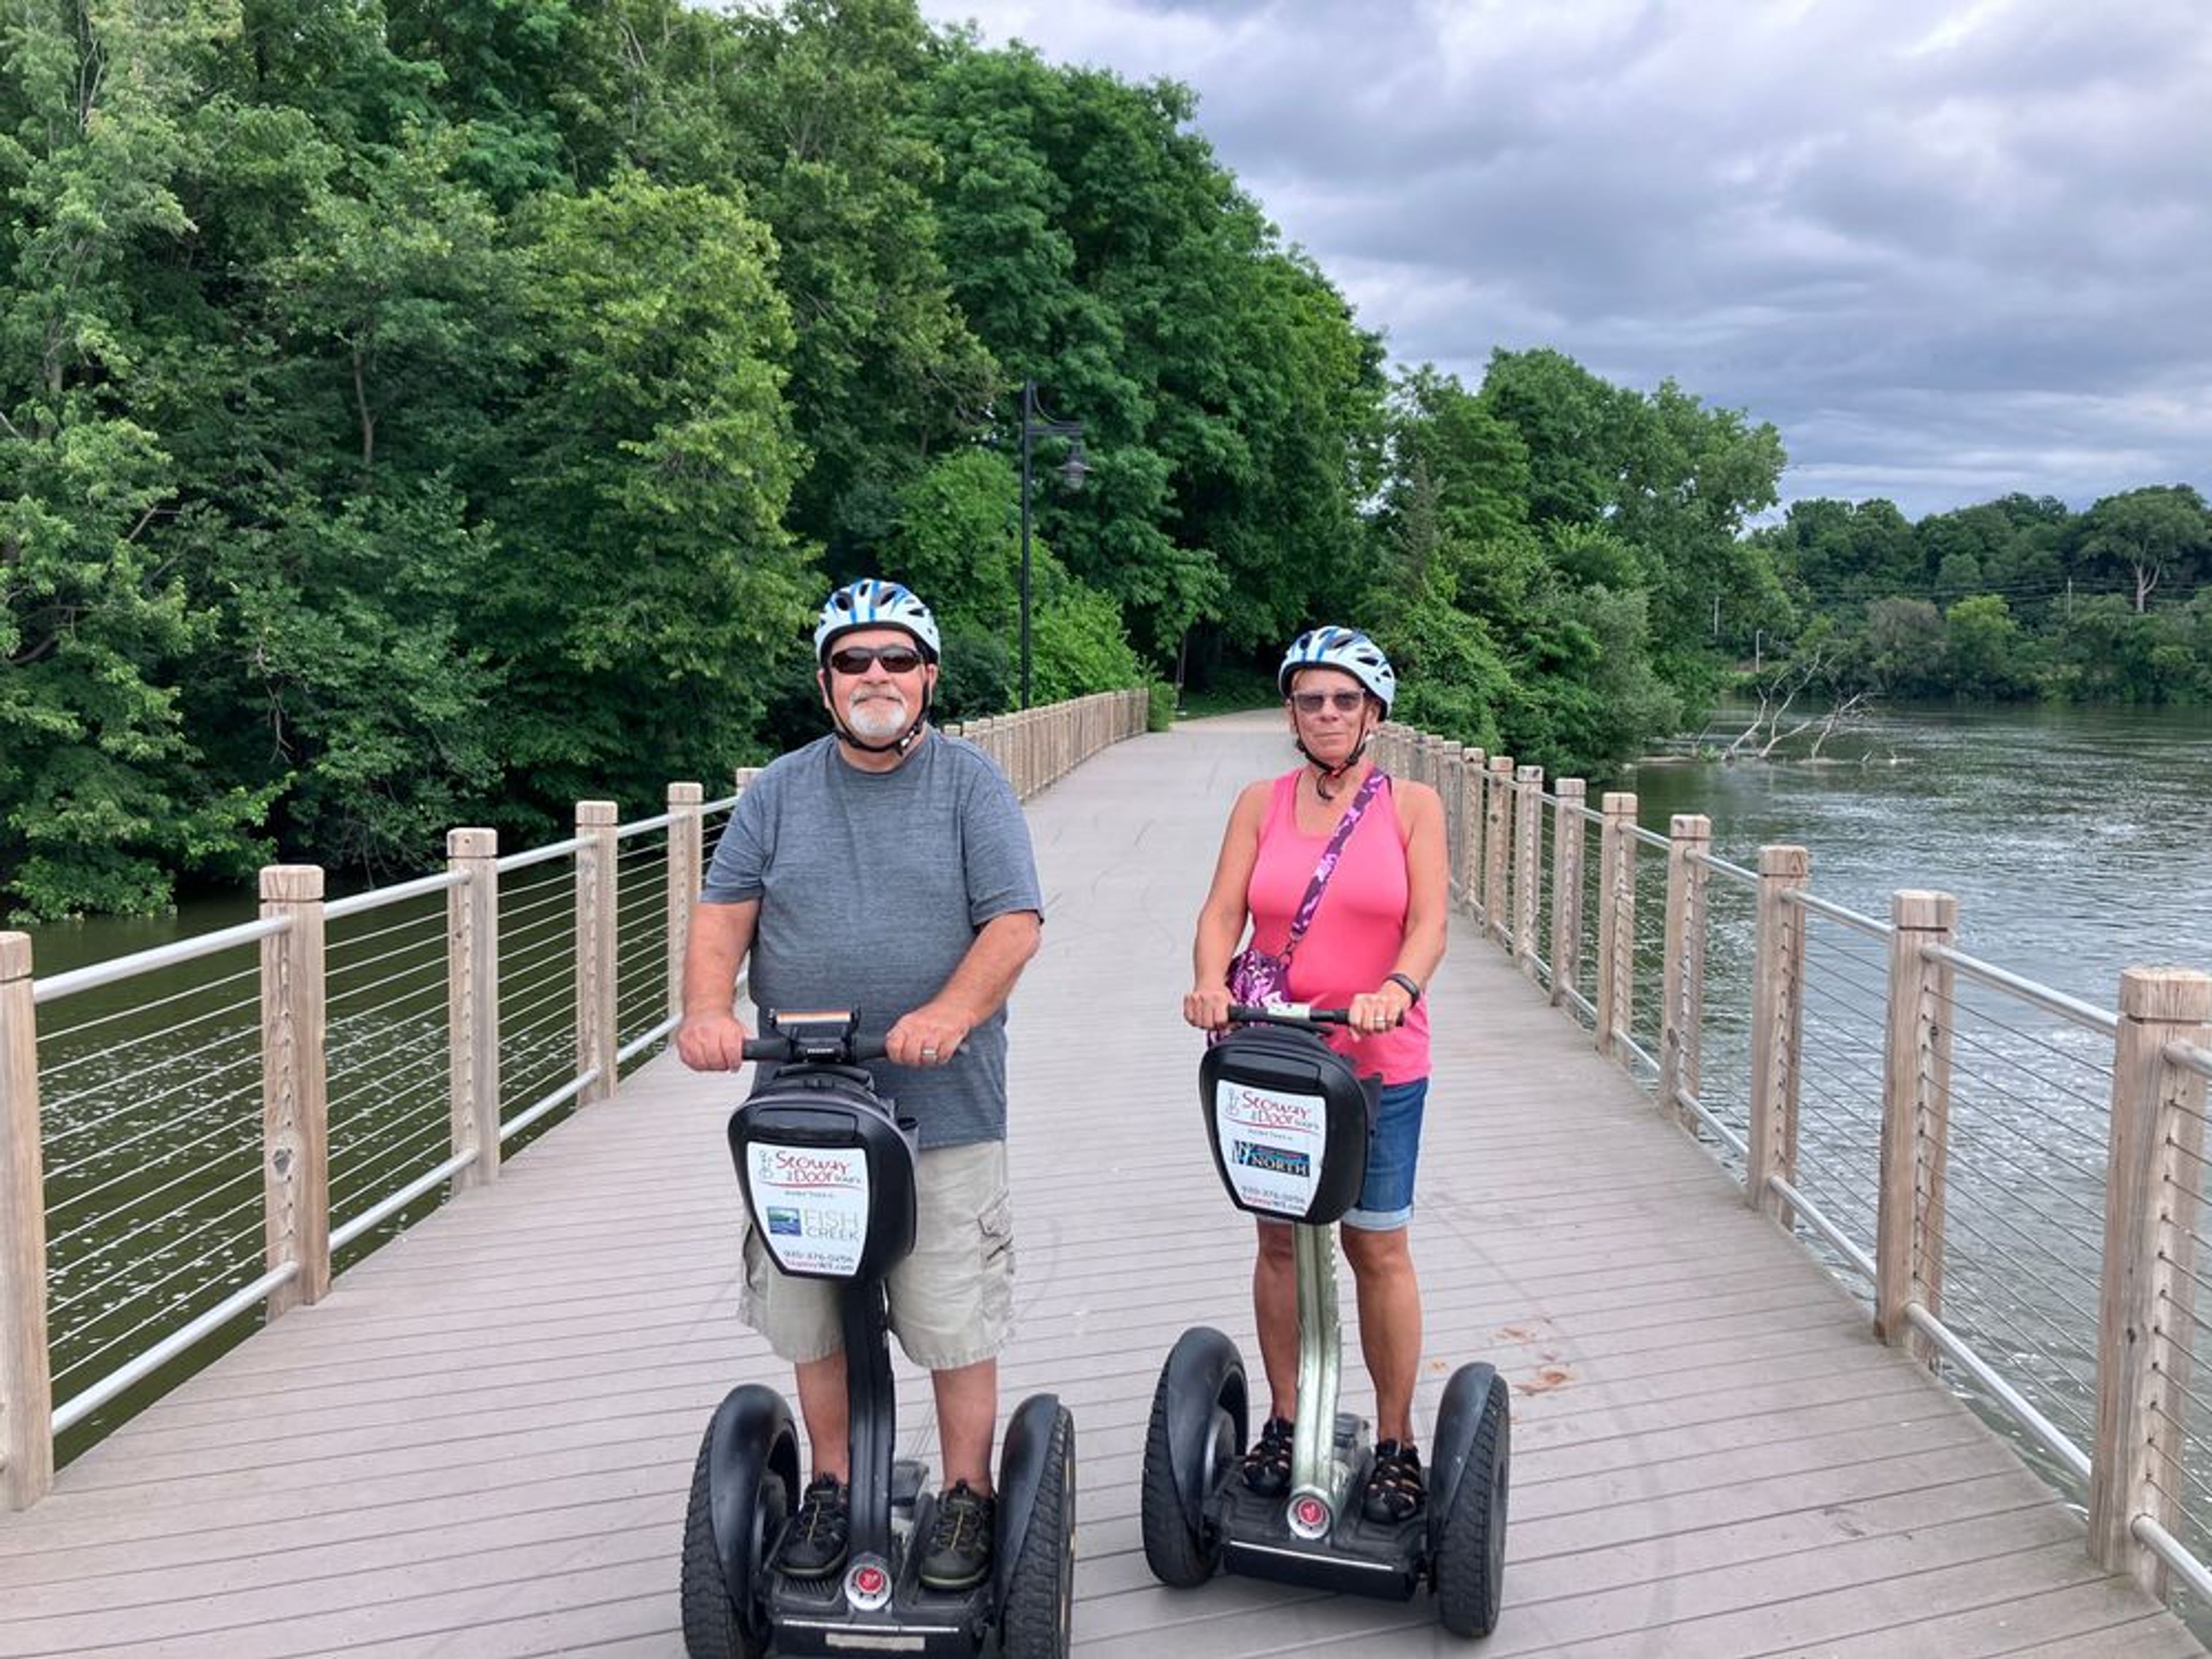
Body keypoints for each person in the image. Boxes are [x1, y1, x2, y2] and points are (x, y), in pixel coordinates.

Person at [678, 578, 1044, 1592]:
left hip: (946, 1103)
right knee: (812, 1310)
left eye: (895, 659)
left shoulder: (972, 786)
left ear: (927, 675)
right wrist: (709, 1010)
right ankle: (835, 1486)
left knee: (951, 1316)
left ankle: (967, 1496)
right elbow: (723, 915)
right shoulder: (777, 792)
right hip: (802, 1107)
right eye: (853, 661)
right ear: (825, 681)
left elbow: (1015, 924)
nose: (874, 676)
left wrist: (950, 1014)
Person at [1180, 626, 1448, 1522]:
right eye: (1311, 700)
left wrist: (1396, 989)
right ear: (1292, 711)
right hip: (1275, 1055)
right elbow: (1222, 909)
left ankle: (1400, 1440)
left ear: (1373, 712)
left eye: (1344, 700)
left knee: (1376, 1245)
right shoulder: (1261, 801)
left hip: (1375, 1060)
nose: (1327, 714)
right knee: (1280, 1241)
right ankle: (1289, 1417)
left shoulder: (1411, 806)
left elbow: (1430, 926)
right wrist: (1210, 983)